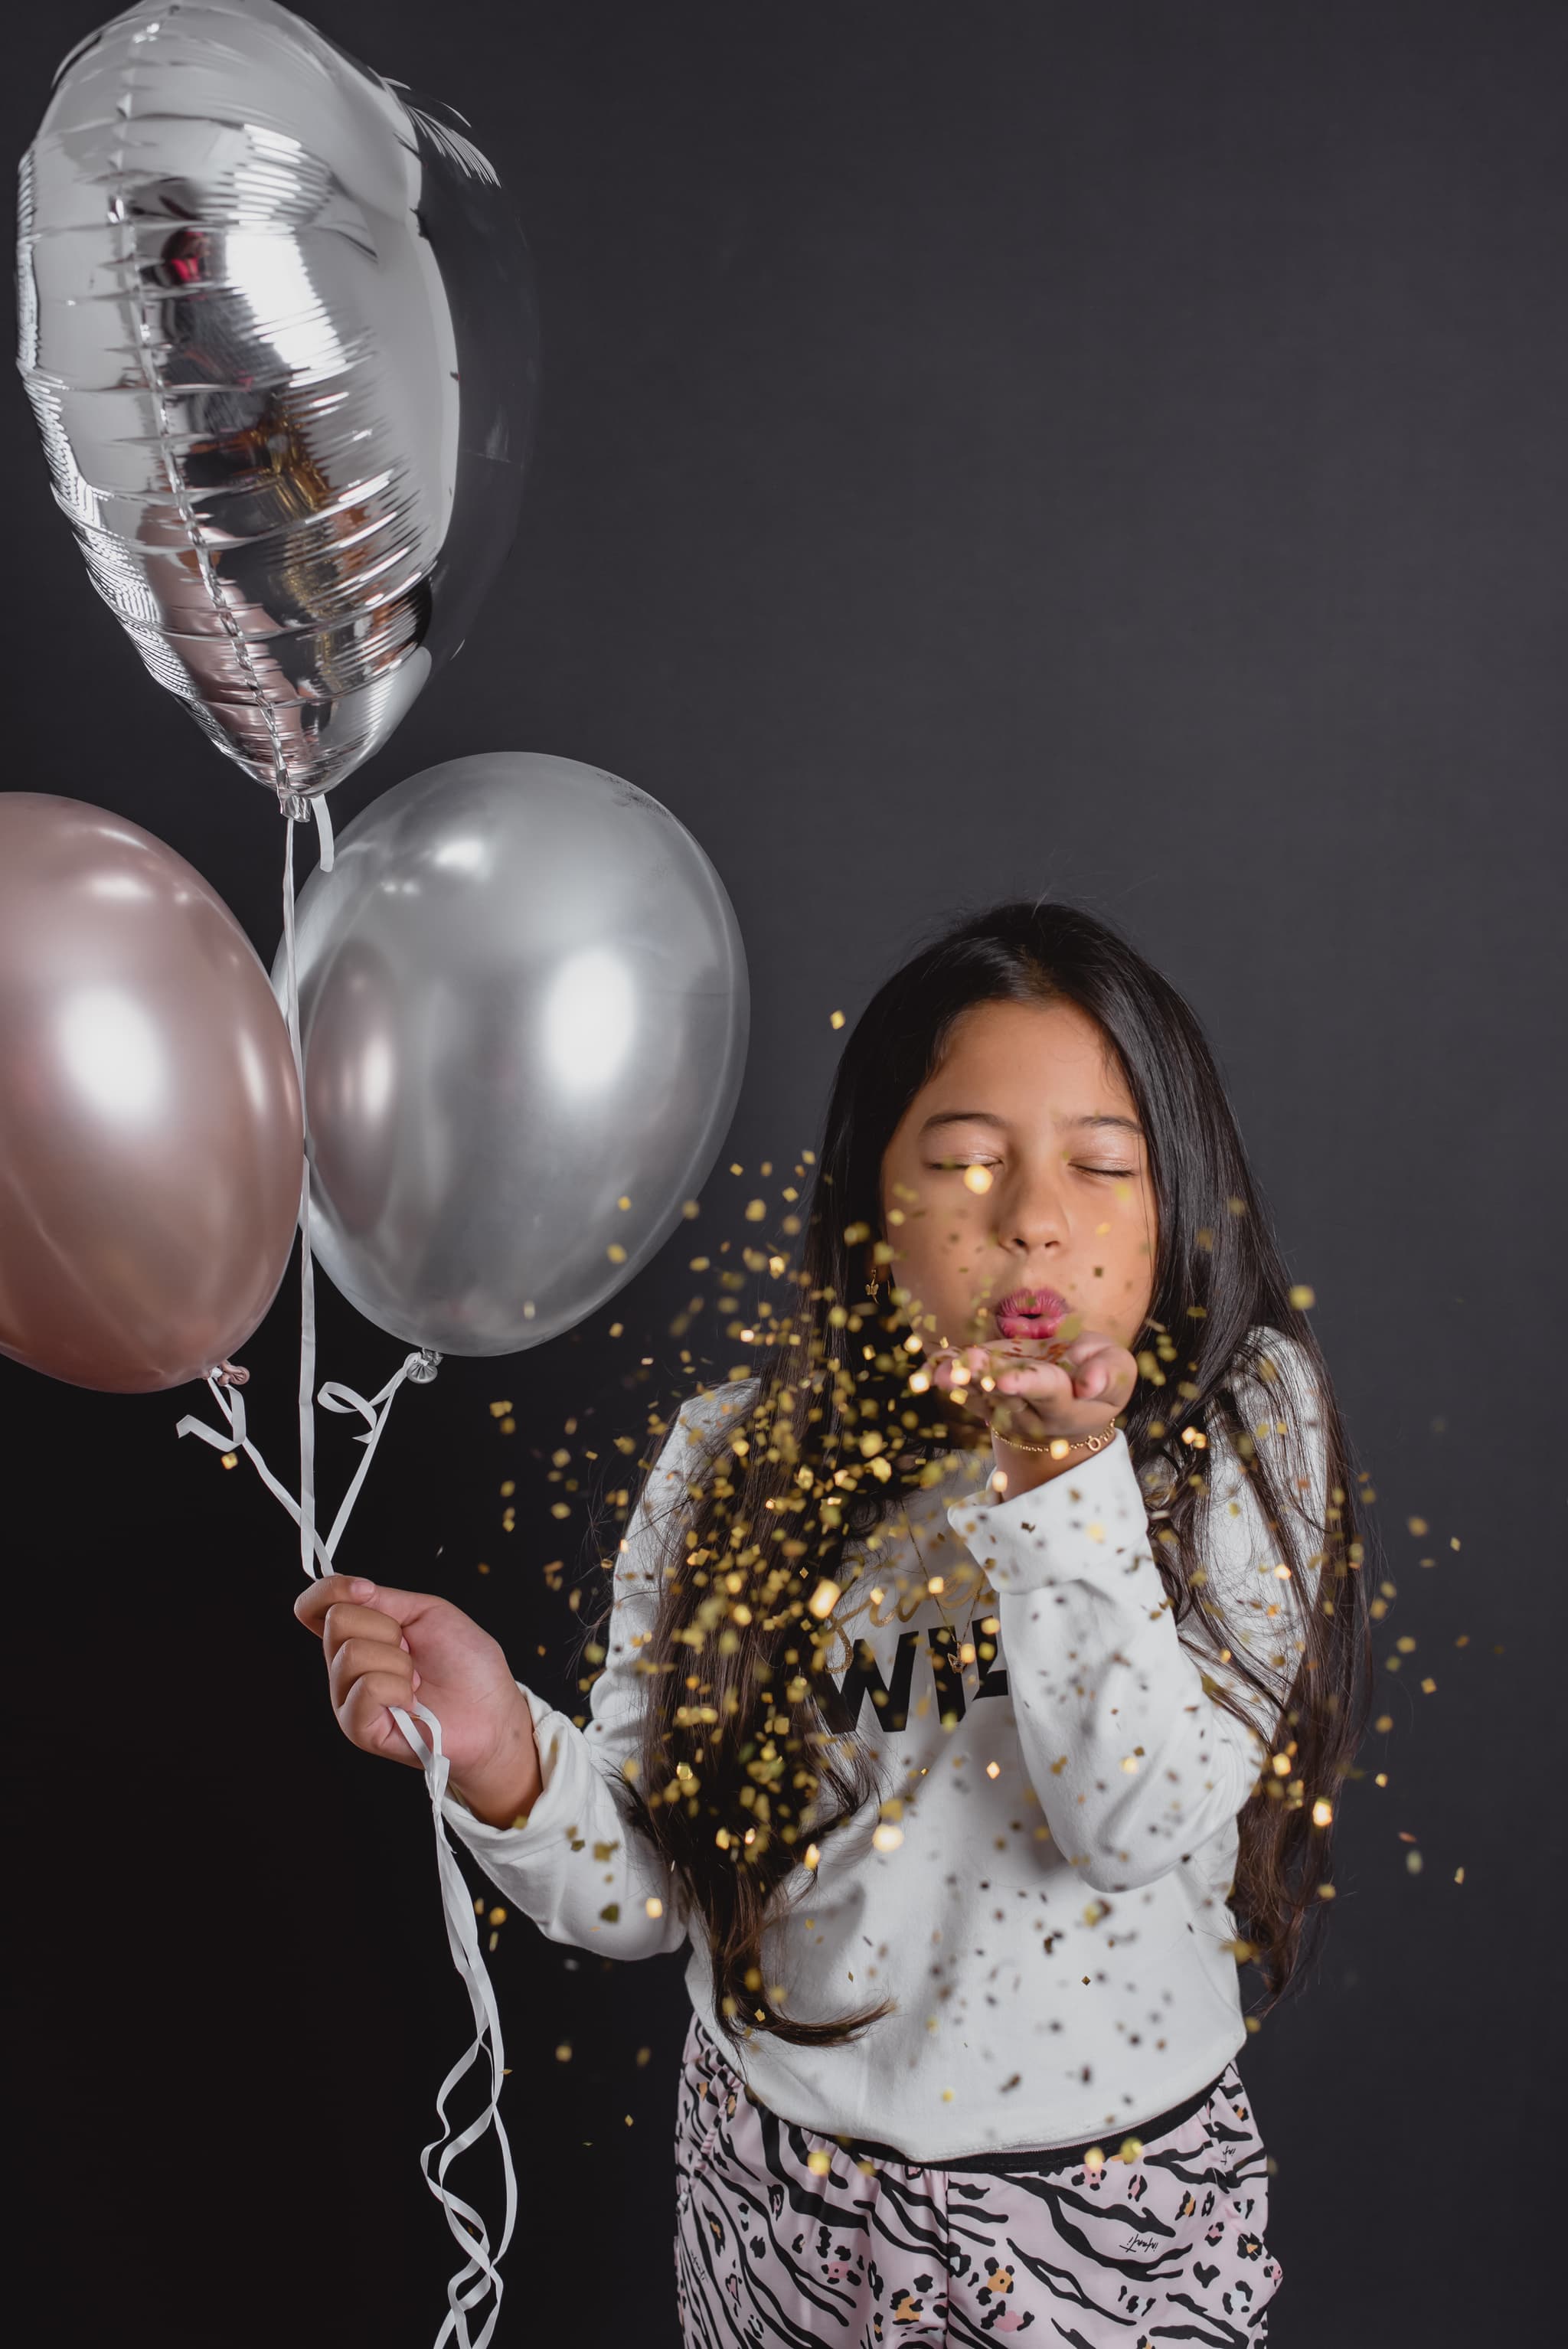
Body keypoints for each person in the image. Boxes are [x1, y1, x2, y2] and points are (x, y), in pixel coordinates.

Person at [295, 900, 1372, 2344]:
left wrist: (1059, 1479)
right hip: (778, 2201)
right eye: (967, 1160)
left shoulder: (1241, 1431)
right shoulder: (733, 1461)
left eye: (1103, 1166)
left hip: (1106, 2223)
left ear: (1174, 1203)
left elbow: (1135, 1821)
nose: (1033, 1217)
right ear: (874, 1205)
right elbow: (663, 1889)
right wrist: (501, 1757)